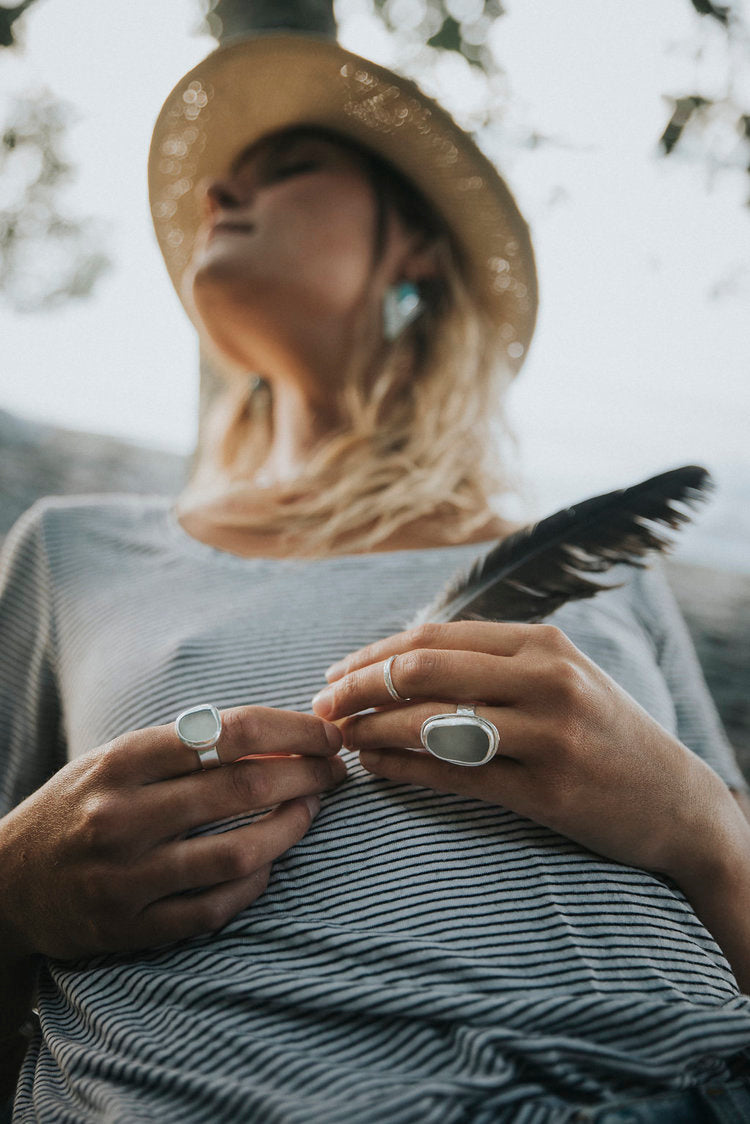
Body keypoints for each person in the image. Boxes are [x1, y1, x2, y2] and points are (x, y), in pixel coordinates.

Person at [1, 34, 750, 1124]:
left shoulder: (605, 570)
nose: (220, 191)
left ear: (421, 253)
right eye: (229, 178)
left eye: (293, 165)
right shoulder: (71, 549)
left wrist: (699, 819)